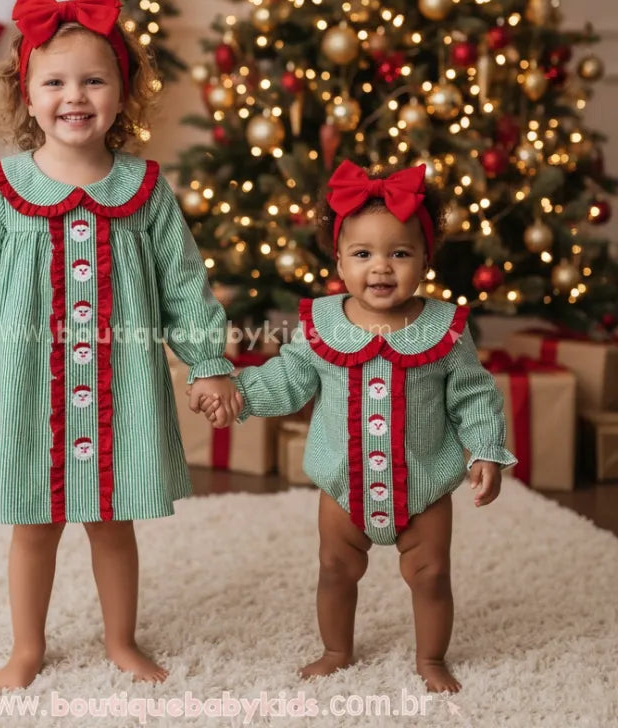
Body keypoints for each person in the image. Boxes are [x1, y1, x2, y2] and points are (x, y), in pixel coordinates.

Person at [0, 0, 239, 689]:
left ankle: (121, 641)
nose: (75, 96)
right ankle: (27, 649)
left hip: (119, 392)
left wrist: (208, 361)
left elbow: (183, 284)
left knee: (112, 519)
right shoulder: (1, 190)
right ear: (26, 94)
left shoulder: (145, 189)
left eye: (94, 81)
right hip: (28, 392)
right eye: (55, 82)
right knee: (34, 524)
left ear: (122, 93)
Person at [201, 160, 516, 693]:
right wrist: (239, 396)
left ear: (425, 259)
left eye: (400, 254)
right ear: (340, 262)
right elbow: (289, 378)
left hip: (424, 483)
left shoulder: (444, 329)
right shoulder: (322, 324)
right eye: (363, 254)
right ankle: (336, 649)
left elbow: (474, 394)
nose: (381, 268)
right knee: (335, 569)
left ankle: (431, 658)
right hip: (343, 486)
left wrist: (485, 449)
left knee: (432, 575)